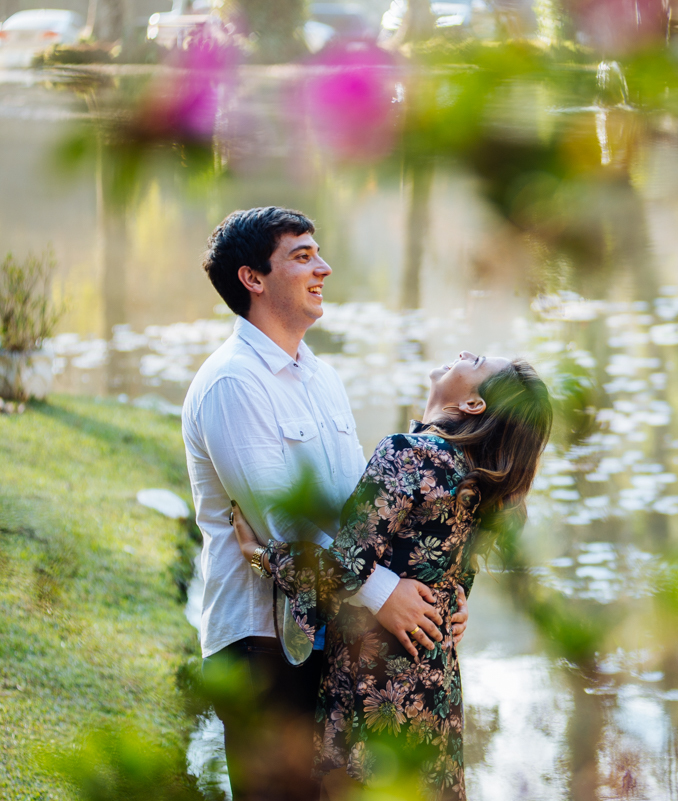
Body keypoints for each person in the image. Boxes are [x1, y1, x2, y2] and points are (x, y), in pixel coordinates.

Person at [182, 206, 467, 801]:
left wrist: (440, 596)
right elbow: (283, 525)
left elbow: (363, 518)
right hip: (265, 647)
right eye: (302, 256)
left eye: (319, 254)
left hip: (334, 645)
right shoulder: (233, 382)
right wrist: (384, 594)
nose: (324, 268)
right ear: (252, 279)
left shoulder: (321, 378)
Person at [230, 352, 553, 801]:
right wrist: (456, 603)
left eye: (474, 360)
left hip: (373, 679)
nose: (461, 354)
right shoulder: (485, 485)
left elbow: (342, 569)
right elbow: (460, 575)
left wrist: (262, 555)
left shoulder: (408, 455)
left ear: (476, 405)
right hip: (435, 682)